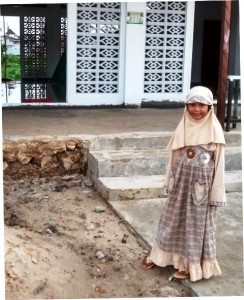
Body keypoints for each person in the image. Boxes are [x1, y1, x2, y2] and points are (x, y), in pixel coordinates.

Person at [141, 86, 226, 282]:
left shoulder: (215, 130)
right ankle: (160, 255)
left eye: (202, 105)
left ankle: (190, 265)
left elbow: (219, 165)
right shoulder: (183, 127)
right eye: (192, 105)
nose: (197, 109)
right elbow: (173, 157)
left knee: (195, 226)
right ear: (186, 106)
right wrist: (169, 180)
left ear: (209, 107)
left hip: (201, 192)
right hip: (180, 185)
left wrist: (216, 193)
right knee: (171, 221)